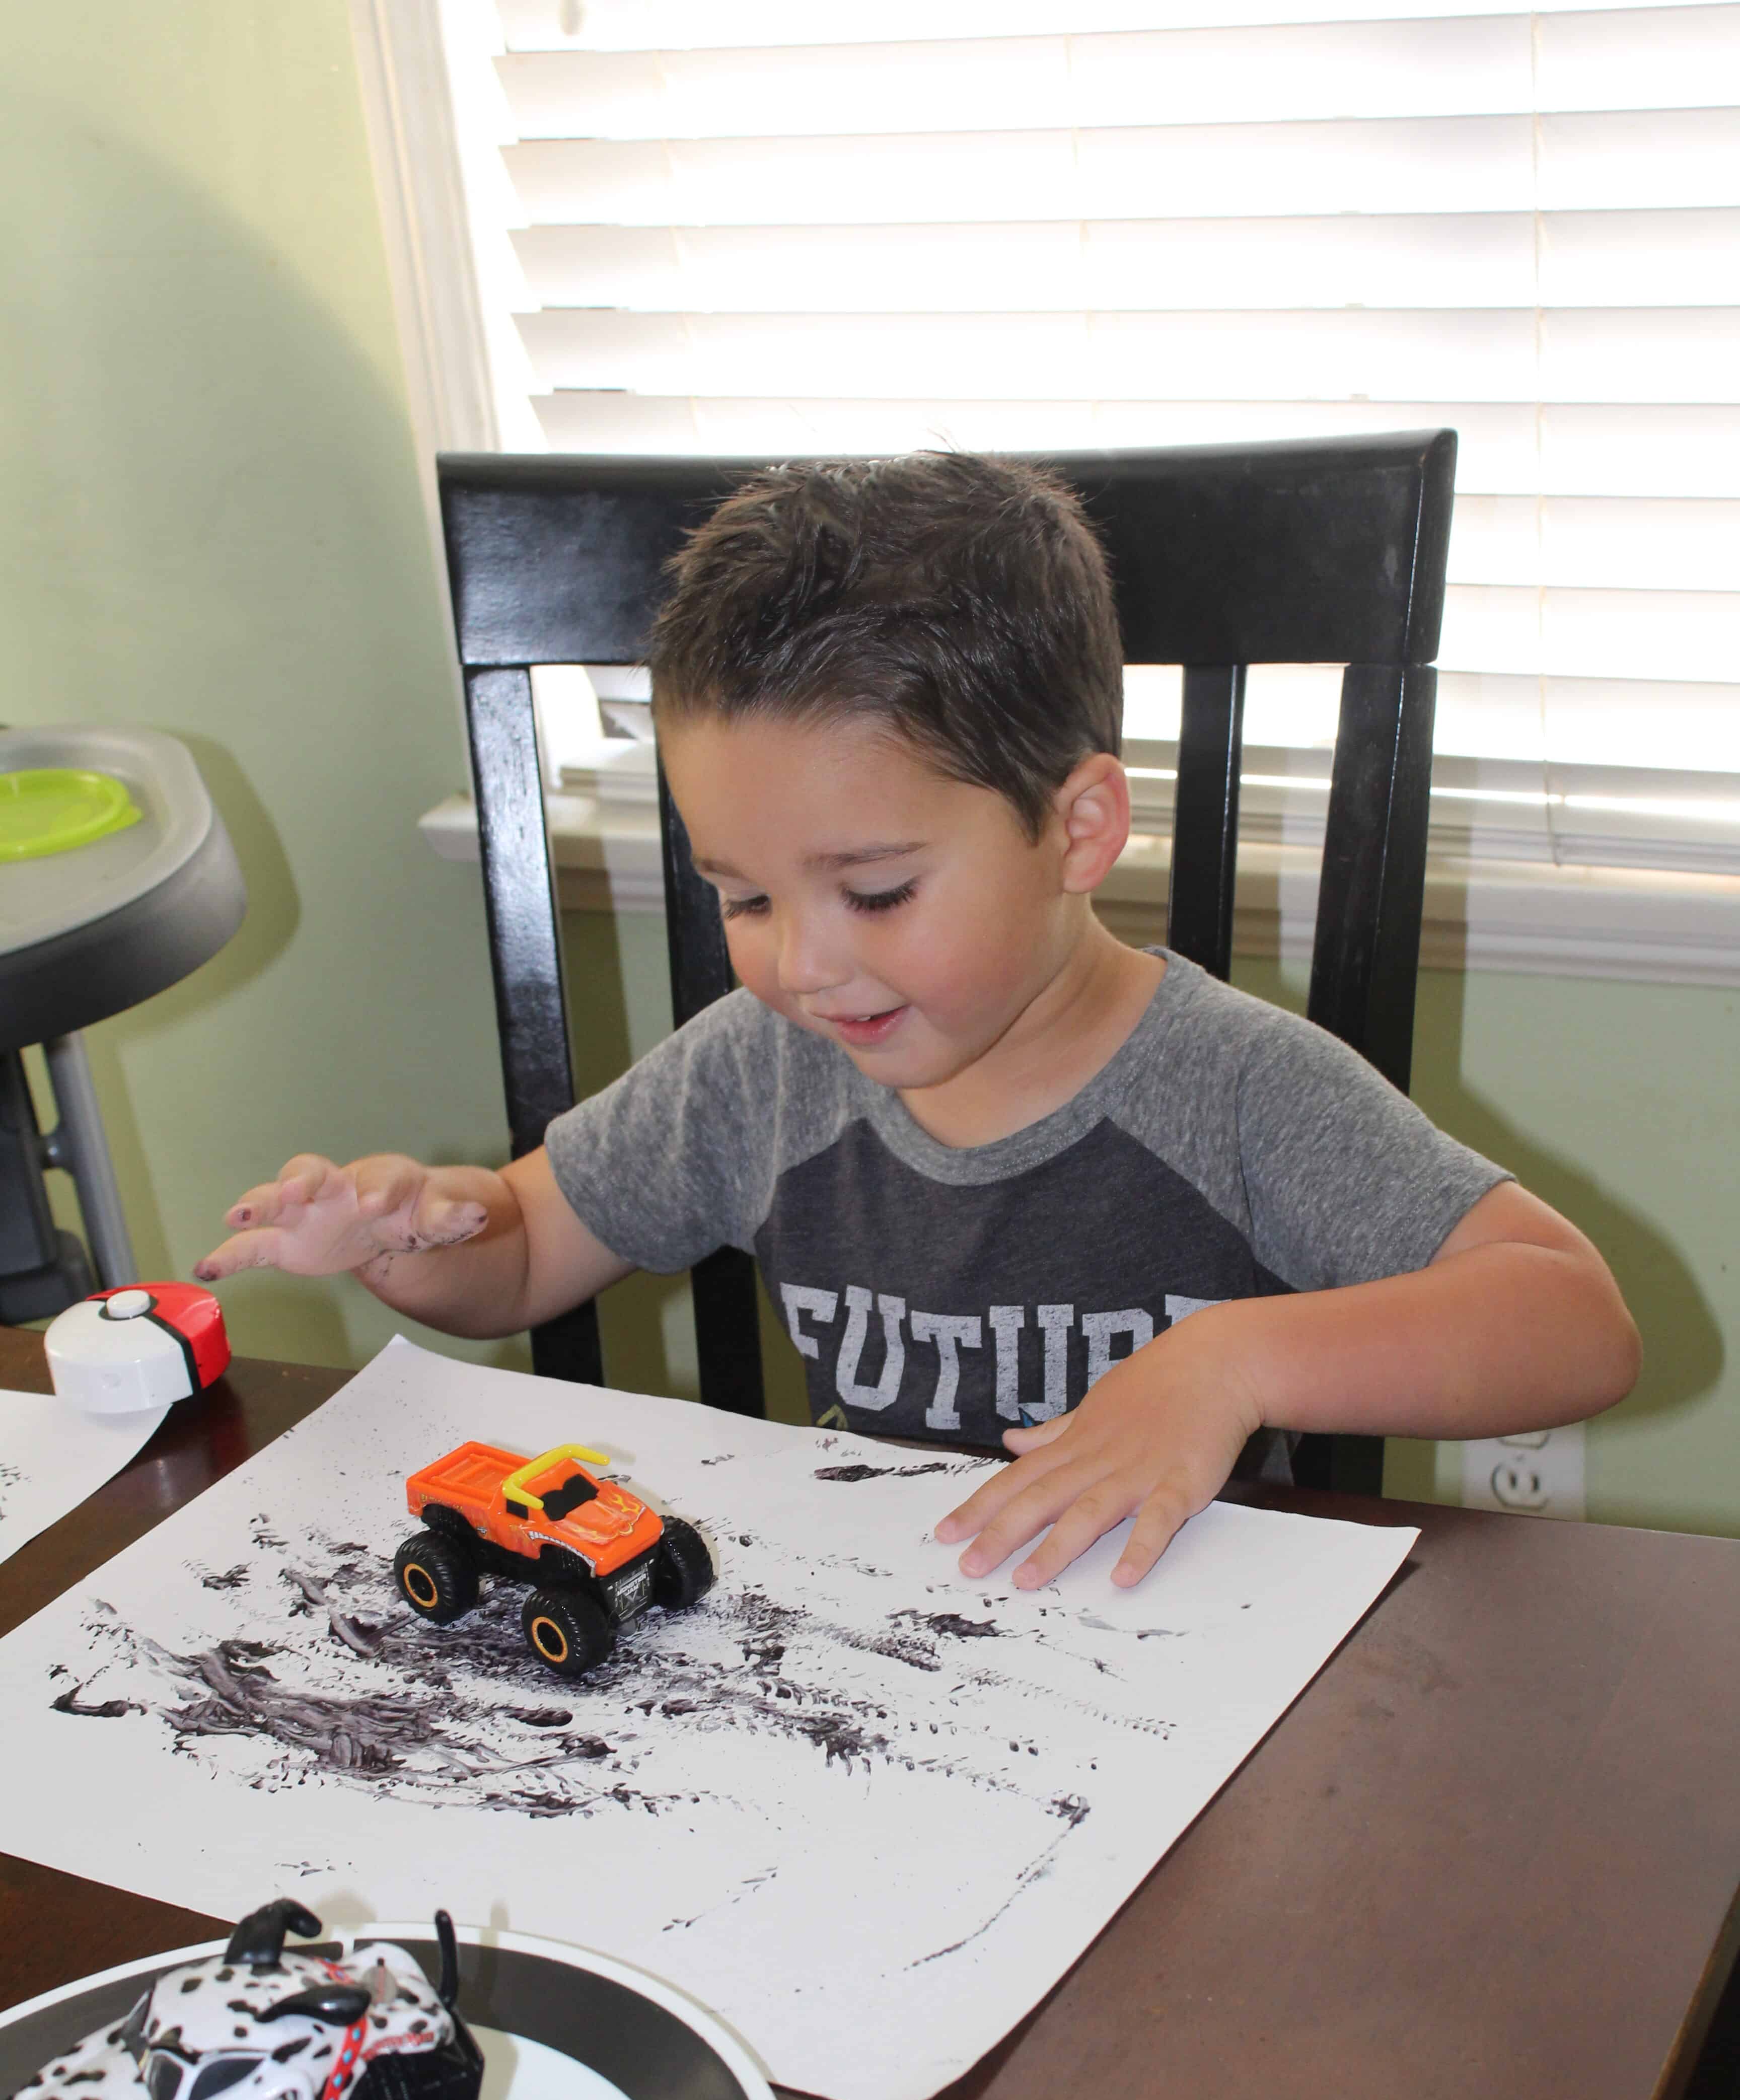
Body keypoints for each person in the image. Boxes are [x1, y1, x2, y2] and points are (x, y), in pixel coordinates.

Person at [197, 453, 1638, 1591]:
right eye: (746, 898)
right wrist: (416, 1241)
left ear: (1077, 831)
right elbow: (518, 1260)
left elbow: (1573, 1323)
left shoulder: (1232, 1088)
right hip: (870, 1639)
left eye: (875, 891)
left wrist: (1233, 1360)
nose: (803, 967)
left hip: (1169, 1654)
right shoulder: (760, 1073)